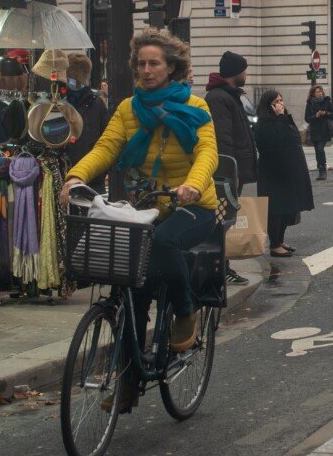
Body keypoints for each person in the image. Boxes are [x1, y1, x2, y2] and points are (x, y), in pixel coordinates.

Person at [63, 28, 218, 398]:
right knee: (133, 286)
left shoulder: (196, 107)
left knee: (165, 242)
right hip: (147, 206)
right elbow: (106, 148)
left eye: (154, 64)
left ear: (171, 67)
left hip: (192, 206)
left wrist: (193, 184)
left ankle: (185, 314)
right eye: (142, 64)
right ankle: (129, 384)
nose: (146, 70)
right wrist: (76, 177)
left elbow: (207, 152)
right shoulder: (127, 109)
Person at [253, 90, 313, 258]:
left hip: (288, 171)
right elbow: (276, 140)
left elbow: (293, 136)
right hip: (274, 173)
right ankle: (274, 244)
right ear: (269, 105)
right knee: (276, 209)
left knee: (288, 207)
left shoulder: (283, 119)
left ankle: (280, 241)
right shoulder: (264, 123)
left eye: (281, 100)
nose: (281, 104)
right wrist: (280, 117)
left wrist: (282, 117)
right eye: (276, 102)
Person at [205, 51, 259, 193]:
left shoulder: (230, 95)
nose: (246, 74)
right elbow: (222, 139)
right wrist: (229, 172)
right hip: (230, 172)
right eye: (244, 70)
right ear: (236, 72)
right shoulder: (218, 98)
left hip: (237, 169)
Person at [65, 54, 110, 164]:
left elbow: (106, 137)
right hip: (86, 163)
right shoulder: (97, 102)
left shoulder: (96, 103)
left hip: (89, 164)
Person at [305, 84, 333, 181]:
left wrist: (325, 113)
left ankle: (323, 170)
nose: (320, 93)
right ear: (313, 94)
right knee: (317, 151)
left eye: (321, 91)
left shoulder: (327, 101)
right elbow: (307, 118)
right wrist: (316, 115)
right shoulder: (310, 103)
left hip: (324, 130)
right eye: (318, 92)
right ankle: (320, 168)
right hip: (314, 130)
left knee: (320, 149)